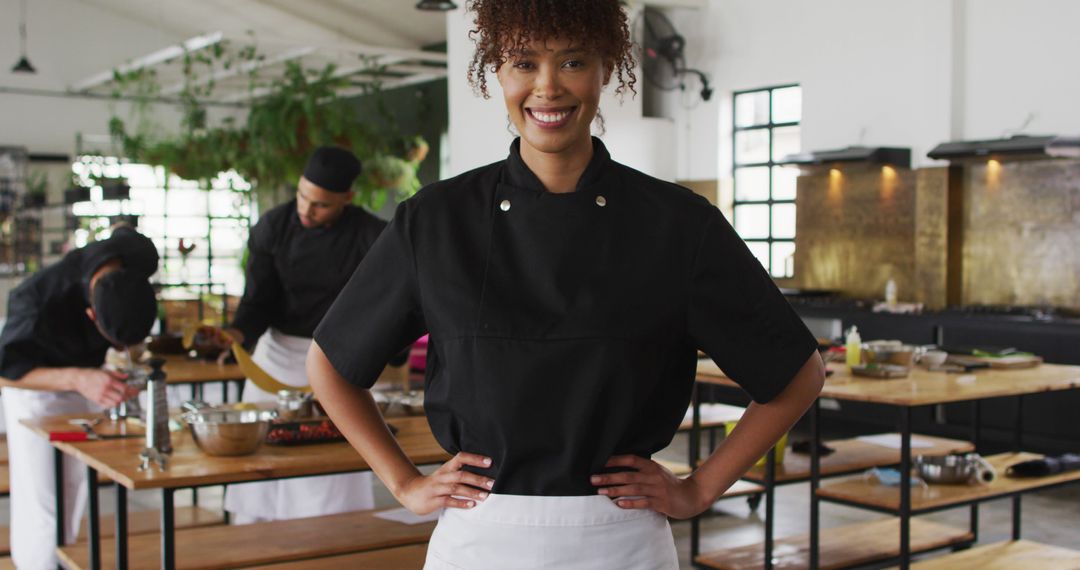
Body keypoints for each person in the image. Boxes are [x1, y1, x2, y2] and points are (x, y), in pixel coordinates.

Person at [307, 1, 826, 568]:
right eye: (524, 64)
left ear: (607, 68)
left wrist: (699, 489)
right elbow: (331, 364)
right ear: (497, 73)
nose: (547, 88)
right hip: (481, 539)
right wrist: (404, 483)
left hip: (621, 541)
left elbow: (797, 373)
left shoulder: (677, 225)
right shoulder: (435, 221)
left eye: (573, 62)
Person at [221, 146, 388, 524]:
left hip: (338, 360)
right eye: (302, 197)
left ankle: (328, 543)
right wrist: (235, 332)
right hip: (276, 356)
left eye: (321, 206)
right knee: (261, 458)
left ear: (348, 198)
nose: (306, 211)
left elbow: (386, 304)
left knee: (328, 469)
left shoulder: (372, 235)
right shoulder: (273, 227)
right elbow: (257, 299)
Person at [0, 225, 158, 570]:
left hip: (89, 384)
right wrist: (78, 378)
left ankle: (65, 559)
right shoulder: (37, 300)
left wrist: (121, 365)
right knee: (45, 501)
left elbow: (124, 230)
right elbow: (7, 373)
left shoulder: (136, 256)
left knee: (76, 490)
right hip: (37, 391)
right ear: (90, 316)